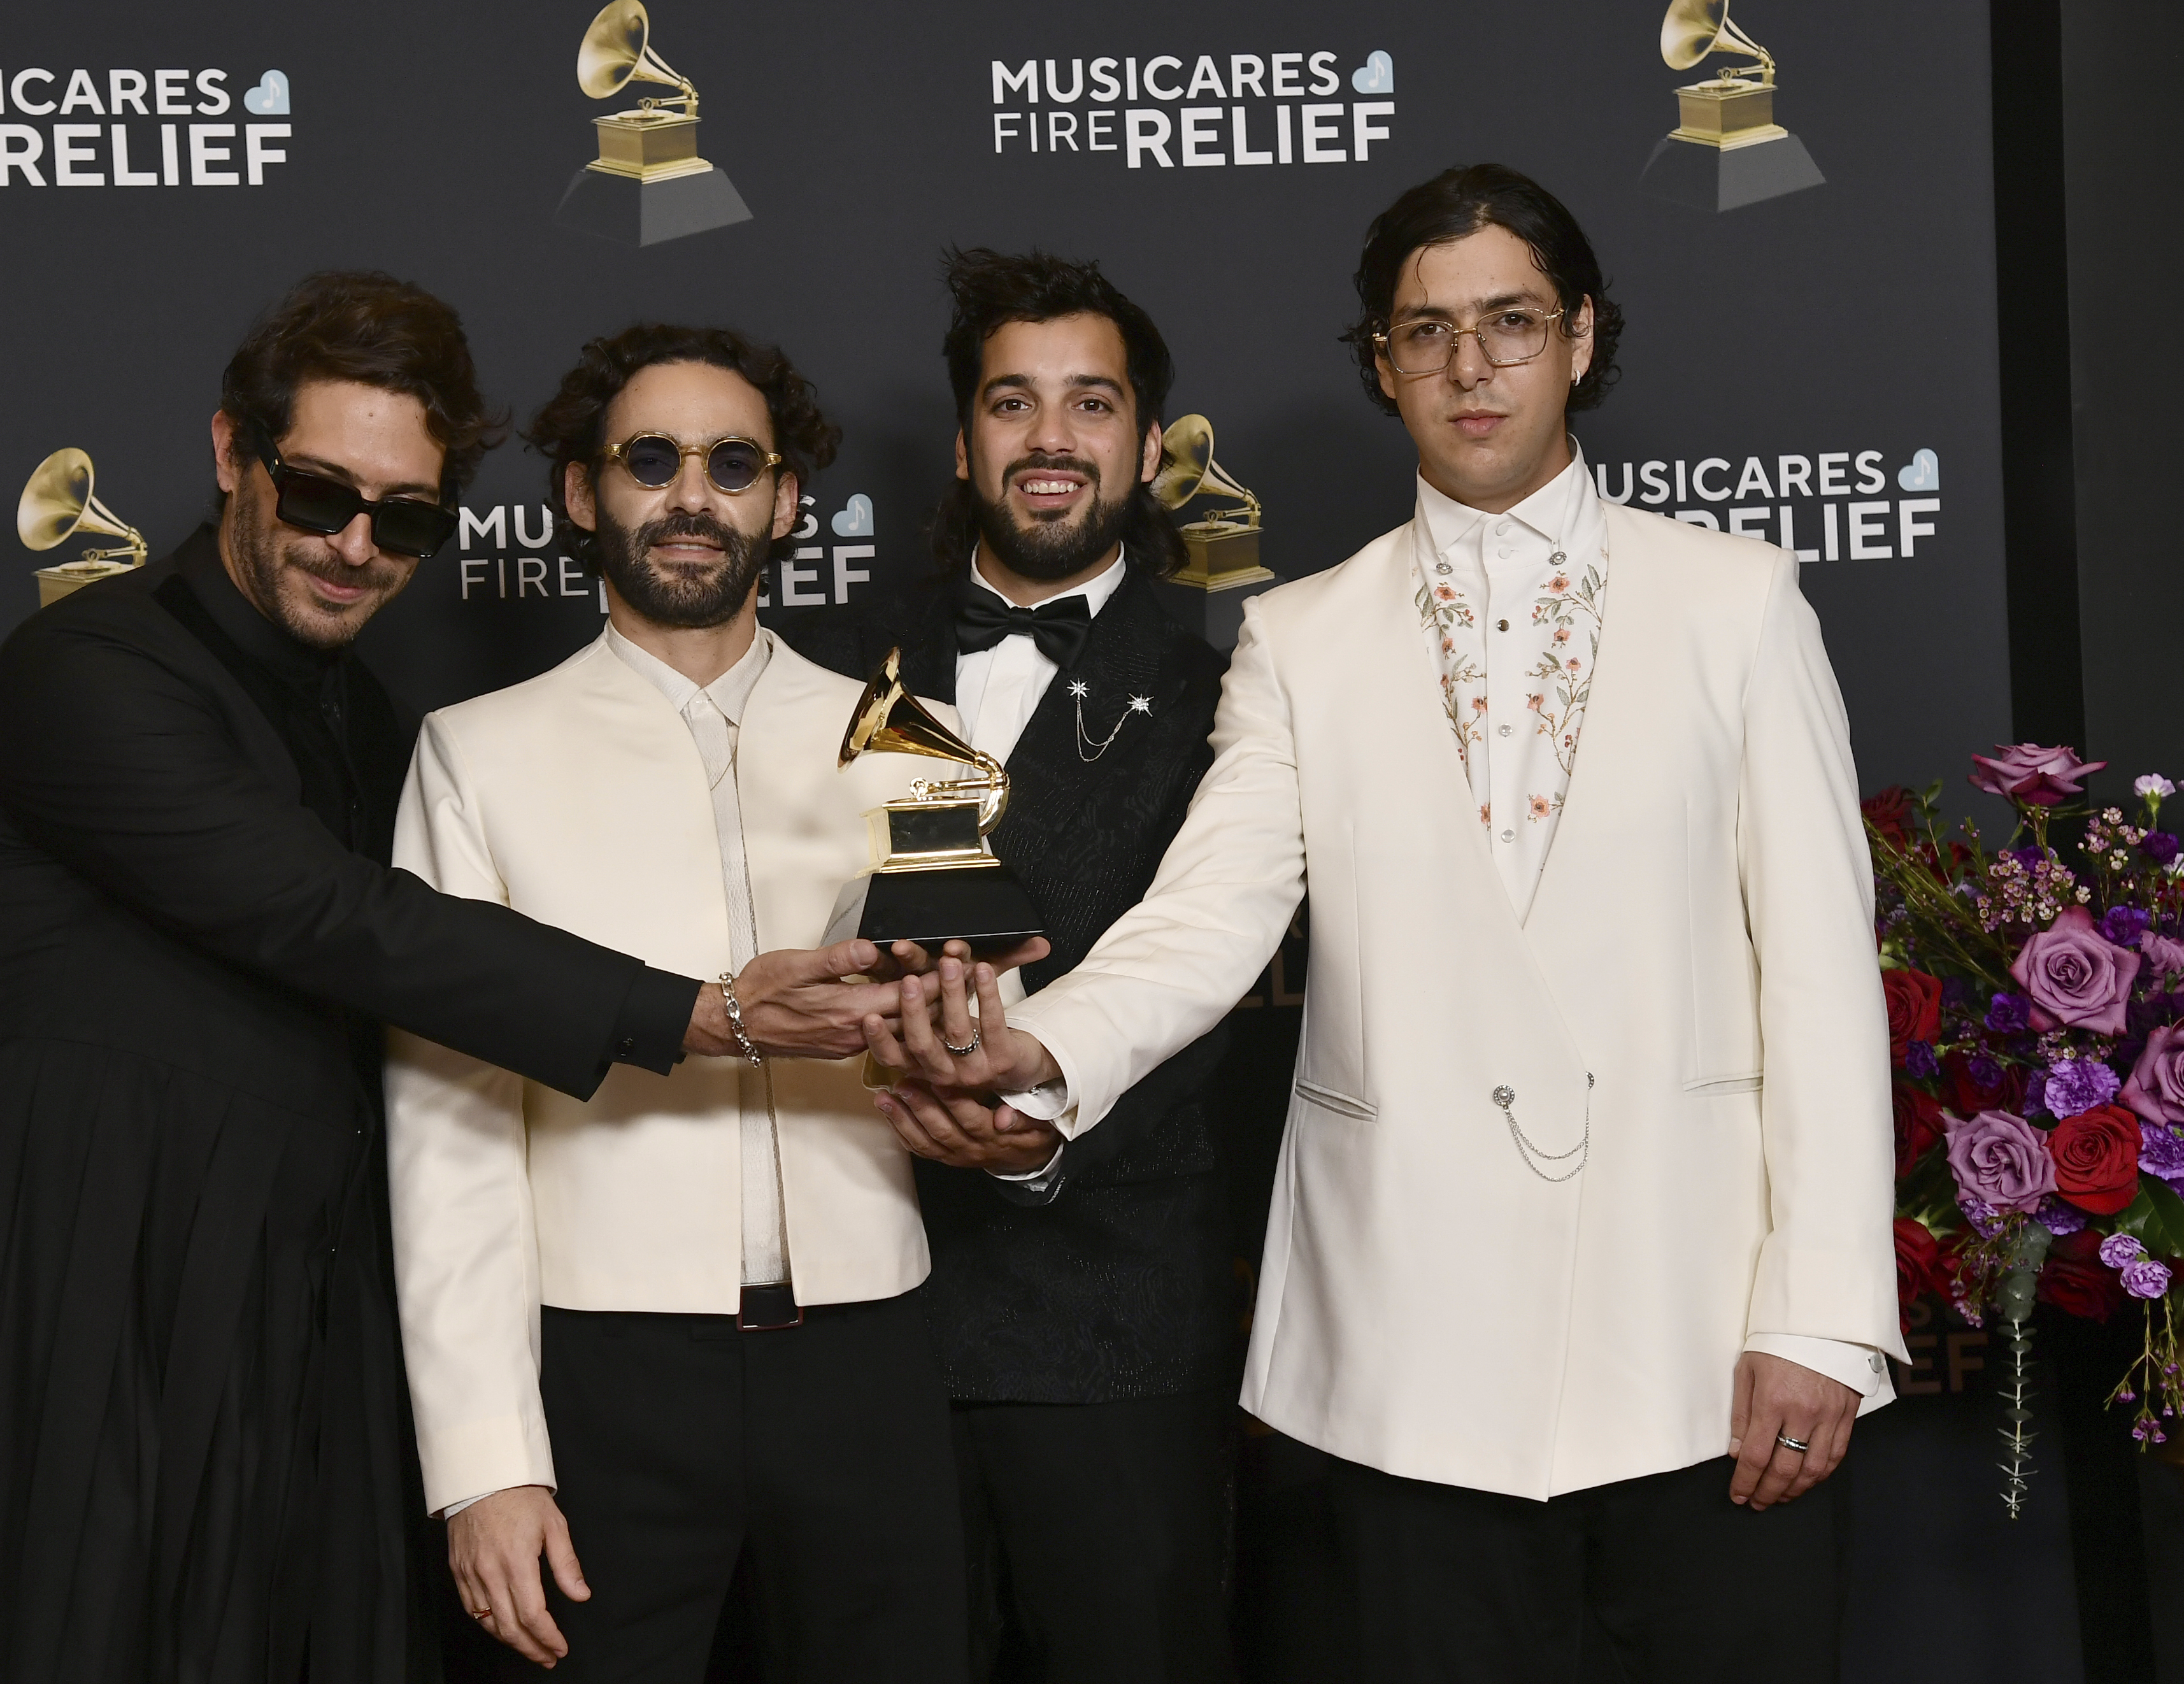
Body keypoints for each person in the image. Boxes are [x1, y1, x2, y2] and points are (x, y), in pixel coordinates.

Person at [874, 165, 1907, 1683]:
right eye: (1423, 332)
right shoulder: (1300, 634)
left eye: (1508, 321)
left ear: (1579, 337)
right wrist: (1031, 1056)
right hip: (1403, 1355)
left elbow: (1821, 979)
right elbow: (1203, 917)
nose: (1468, 365)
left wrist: (1821, 1317)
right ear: (1380, 362)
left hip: (1695, 1328)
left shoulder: (1737, 601)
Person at [0, 274, 901, 1684]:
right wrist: (698, 1011)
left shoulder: (379, 724)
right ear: (230, 453)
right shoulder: (85, 670)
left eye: (403, 518)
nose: (353, 545)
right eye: (319, 492)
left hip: (292, 1333)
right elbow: (331, 917)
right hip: (70, 1307)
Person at [385, 323, 1044, 1681]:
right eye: (650, 459)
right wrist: (484, 1464)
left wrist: (1001, 1095)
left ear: (784, 500)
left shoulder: (908, 737)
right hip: (599, 1373)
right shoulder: (473, 753)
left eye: (733, 462)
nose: (693, 495)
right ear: (582, 492)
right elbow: (446, 1131)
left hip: (868, 1359)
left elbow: (996, 1045)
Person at [788, 248, 1238, 1684]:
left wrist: (1035, 1144)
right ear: (967, 435)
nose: (1050, 439)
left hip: (1107, 1327)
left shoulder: (1232, 693)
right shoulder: (822, 663)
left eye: (1089, 404)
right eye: (1013, 403)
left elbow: (1226, 987)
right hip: (856, 1323)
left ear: (1146, 445)